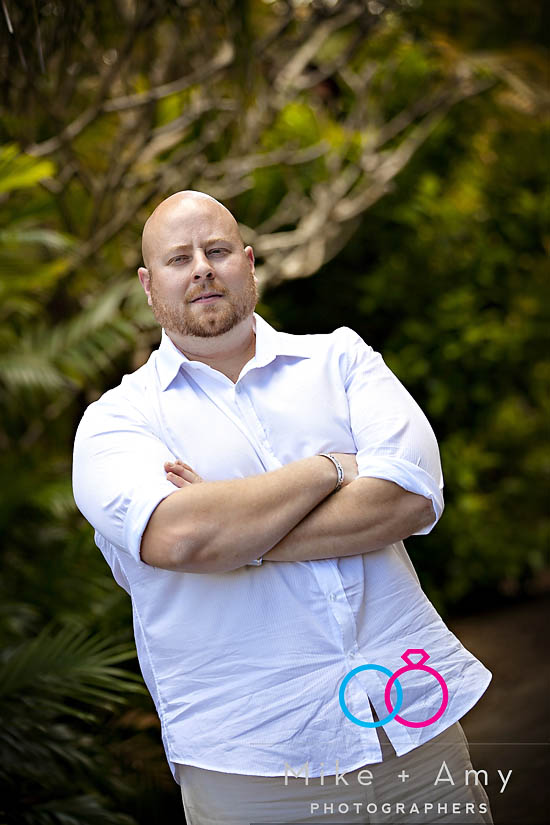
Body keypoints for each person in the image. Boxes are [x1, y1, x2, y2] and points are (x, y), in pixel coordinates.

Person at [72, 191, 494, 824]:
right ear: (148, 284)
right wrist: (331, 469)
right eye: (179, 258)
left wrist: (235, 534)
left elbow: (408, 497)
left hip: (412, 726)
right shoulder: (116, 422)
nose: (202, 269)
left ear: (248, 263)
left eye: (217, 251)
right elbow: (181, 538)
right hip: (254, 760)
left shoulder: (341, 359)